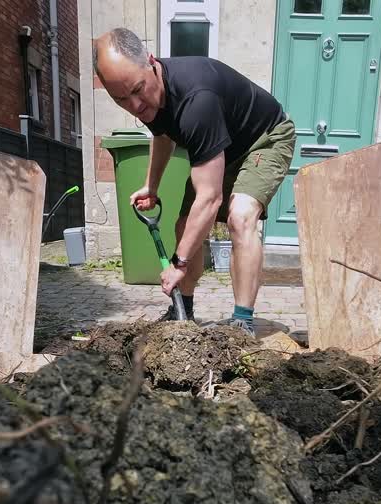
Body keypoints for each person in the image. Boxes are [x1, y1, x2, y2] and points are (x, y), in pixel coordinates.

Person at [93, 27, 296, 336]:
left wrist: (179, 262)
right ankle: (182, 311)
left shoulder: (196, 100)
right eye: (121, 99)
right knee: (184, 226)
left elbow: (211, 198)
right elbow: (162, 135)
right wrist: (152, 185)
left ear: (151, 62)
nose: (135, 106)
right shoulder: (151, 98)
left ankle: (242, 321)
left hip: (263, 138)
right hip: (222, 146)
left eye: (137, 90)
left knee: (240, 217)